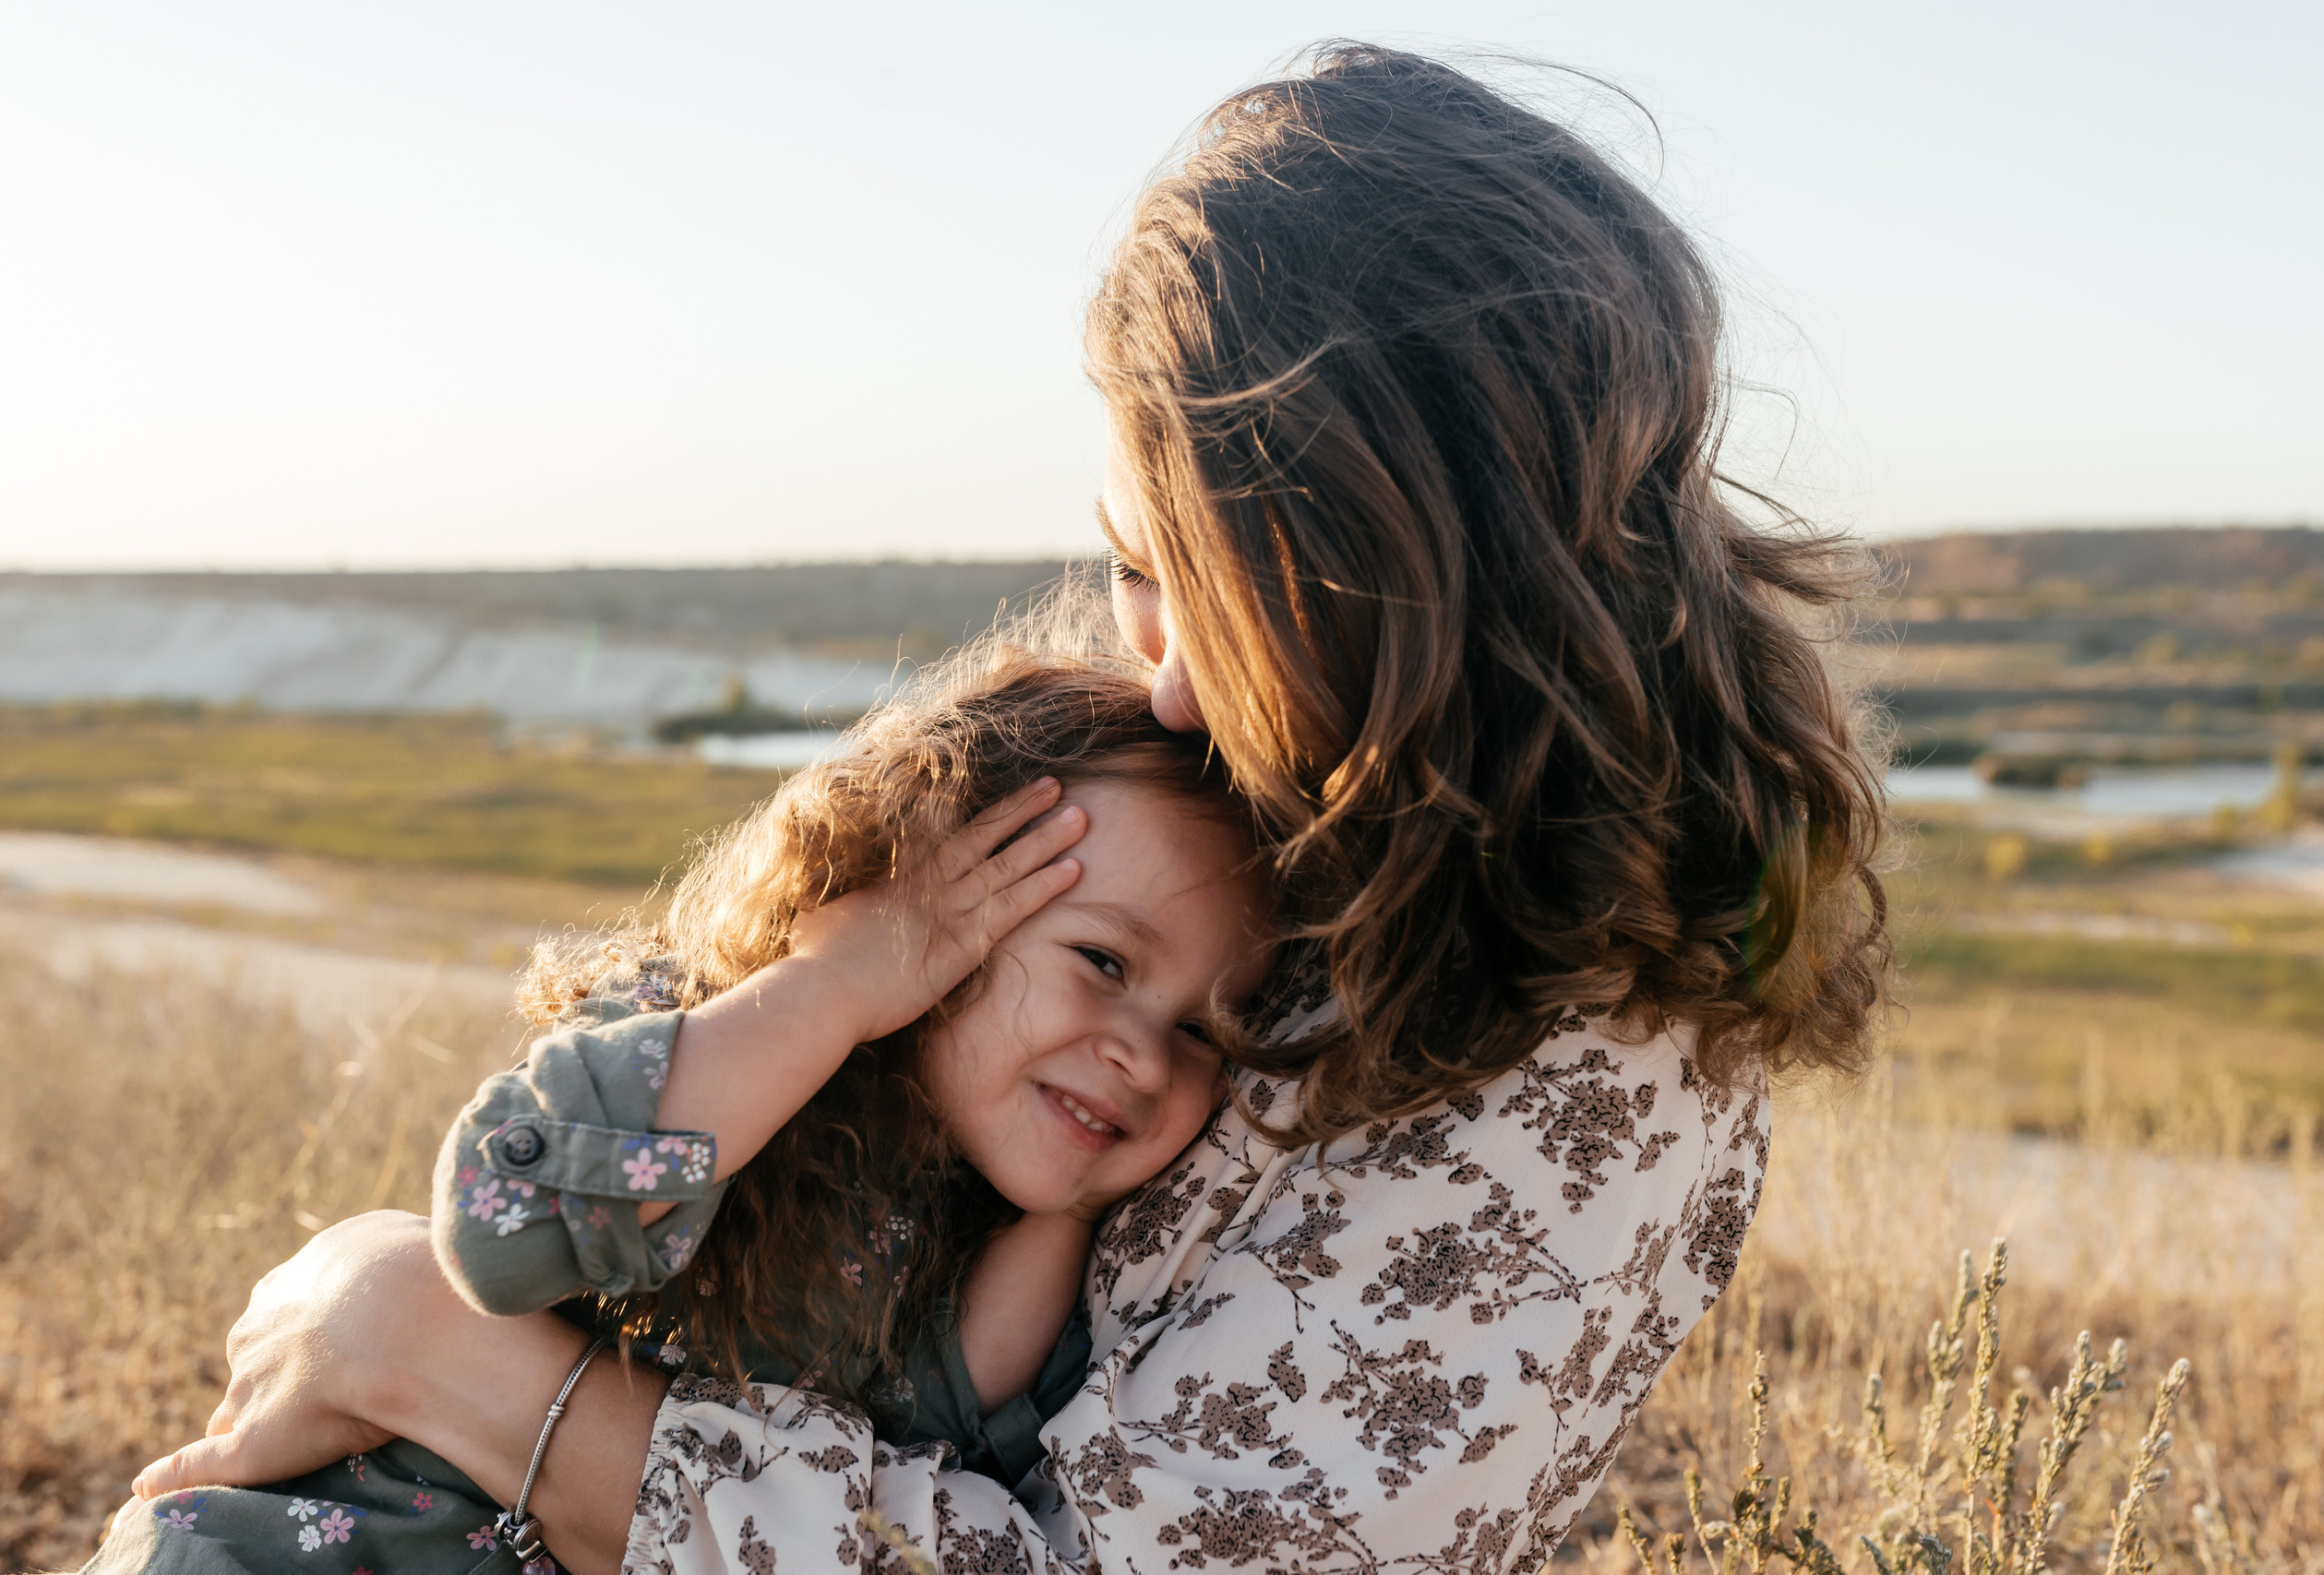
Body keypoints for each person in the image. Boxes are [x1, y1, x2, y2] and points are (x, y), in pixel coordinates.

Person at [124, 42, 1889, 1574]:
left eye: (1241, 588)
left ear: (1422, 568)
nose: (1177, 683)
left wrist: (431, 1351)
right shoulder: (1289, 795)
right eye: (1138, 567)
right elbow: (620, 1135)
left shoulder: (1580, 1067)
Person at [96, 653, 1273, 1573]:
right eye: (1105, 964)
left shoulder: (981, 1210)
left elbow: (952, 1411)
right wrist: (831, 987)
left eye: (1200, 1033)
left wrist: (1070, 1202)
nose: (1140, 1054)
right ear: (923, 895)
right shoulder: (711, 1034)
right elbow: (508, 1230)